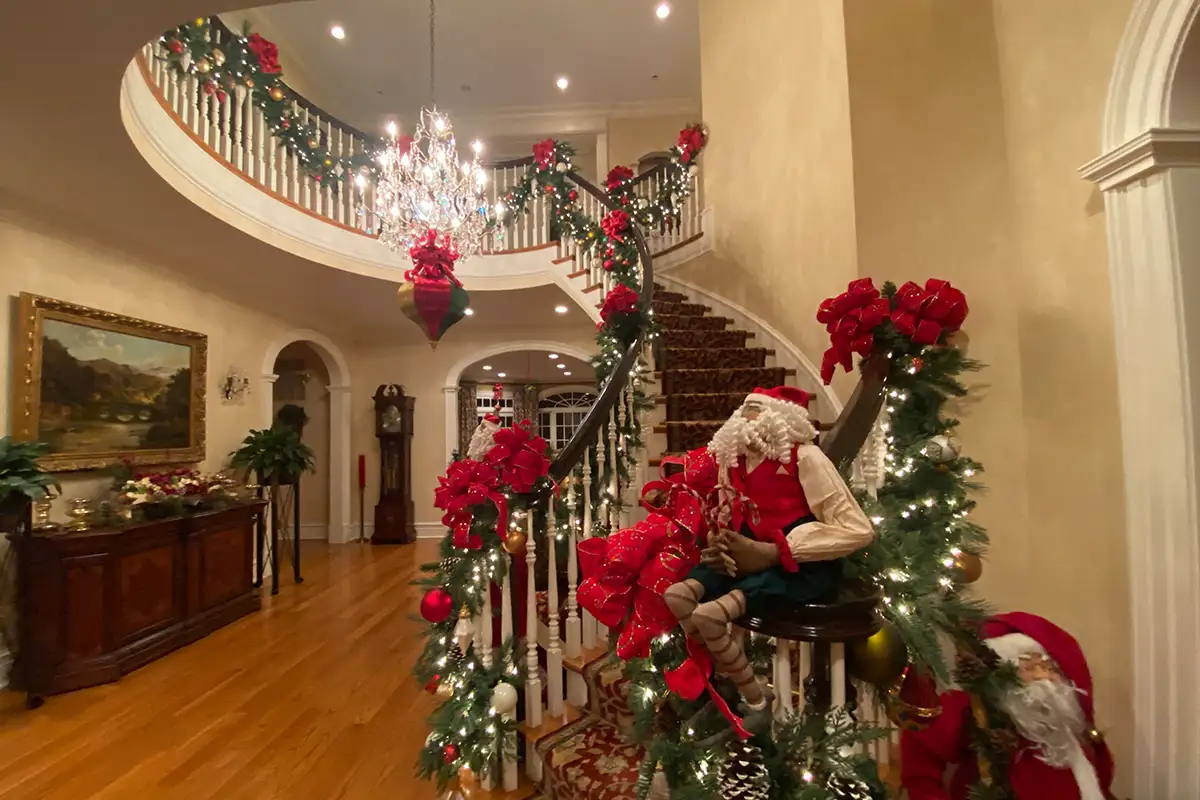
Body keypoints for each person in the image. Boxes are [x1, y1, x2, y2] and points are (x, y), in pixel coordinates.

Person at [662, 385, 875, 728]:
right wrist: (720, 540)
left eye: (756, 412)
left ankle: (755, 697)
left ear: (782, 418)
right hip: (748, 548)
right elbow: (730, 512)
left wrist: (779, 551)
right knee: (676, 594)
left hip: (802, 564)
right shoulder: (734, 459)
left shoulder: (806, 458)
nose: (747, 421)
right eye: (743, 411)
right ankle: (718, 679)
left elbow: (858, 529)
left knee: (712, 616)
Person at [901, 612, 1116, 800]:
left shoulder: (1072, 734)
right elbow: (921, 743)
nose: (1044, 677)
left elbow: (1102, 777)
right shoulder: (979, 711)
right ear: (1004, 673)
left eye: (1049, 667)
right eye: (1029, 667)